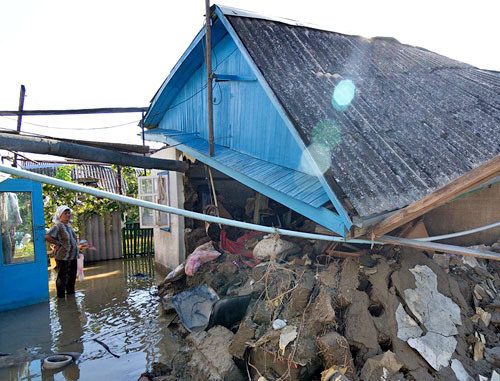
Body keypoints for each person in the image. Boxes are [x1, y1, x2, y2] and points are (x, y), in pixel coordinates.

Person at [45, 205, 79, 298]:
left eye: (69, 213)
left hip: (72, 256)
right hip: (63, 256)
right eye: (65, 213)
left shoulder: (69, 225)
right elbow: (47, 236)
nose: (68, 215)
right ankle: (61, 299)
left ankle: (71, 297)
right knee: (62, 277)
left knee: (72, 277)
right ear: (60, 215)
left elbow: (74, 238)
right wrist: (57, 243)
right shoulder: (58, 226)